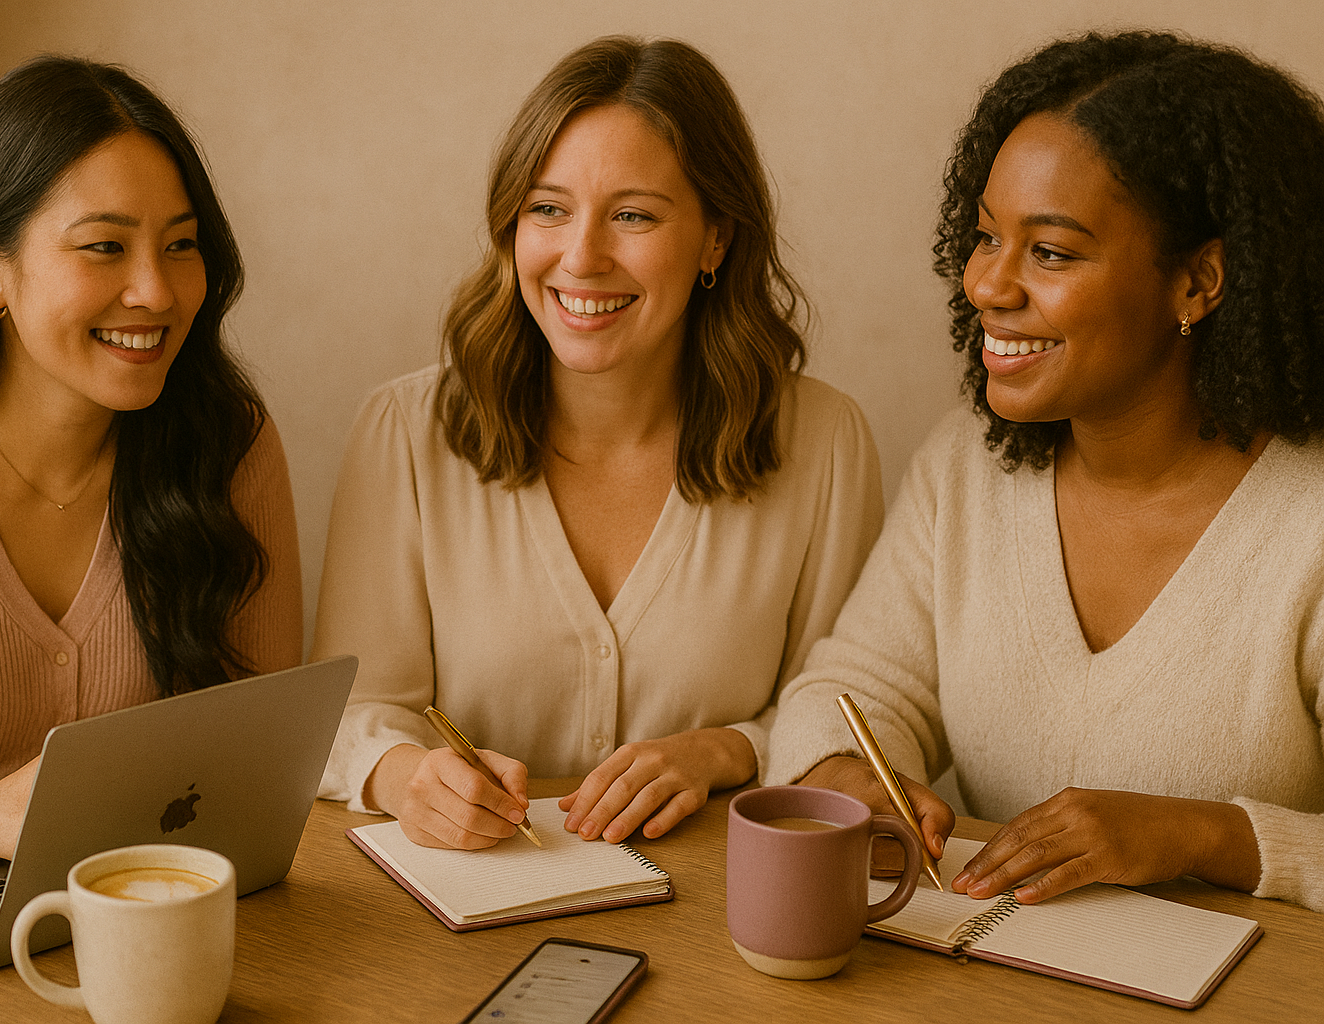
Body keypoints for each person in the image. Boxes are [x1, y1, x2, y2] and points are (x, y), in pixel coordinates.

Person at [766, 30, 1324, 913]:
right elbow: (851, 686)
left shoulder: (1310, 523)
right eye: (987, 237)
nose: (988, 284)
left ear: (1199, 282)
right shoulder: (966, 465)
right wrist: (851, 772)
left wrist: (1202, 834)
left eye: (1052, 252)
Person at [313, 36, 883, 850]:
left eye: (633, 216)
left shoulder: (826, 443)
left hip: (723, 912)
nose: (581, 257)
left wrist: (721, 750)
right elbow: (348, 714)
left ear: (716, 238)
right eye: (548, 209)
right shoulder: (404, 435)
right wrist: (406, 774)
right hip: (467, 902)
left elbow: (846, 720)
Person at [0, 56, 304, 863]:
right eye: (105, 246)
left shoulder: (228, 444)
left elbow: (264, 751)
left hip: (152, 911)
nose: (157, 291)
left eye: (181, 244)